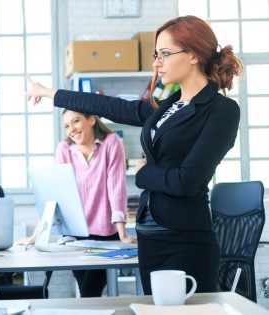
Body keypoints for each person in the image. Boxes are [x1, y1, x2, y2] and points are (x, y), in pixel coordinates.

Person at [25, 15, 243, 295]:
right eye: (156, 55)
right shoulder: (167, 106)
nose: (156, 63)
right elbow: (108, 105)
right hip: (150, 234)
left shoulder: (221, 110)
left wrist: (143, 173)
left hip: (185, 238)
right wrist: (49, 93)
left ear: (192, 55)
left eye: (165, 54)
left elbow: (187, 180)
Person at [17, 109, 137, 297]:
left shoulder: (111, 142)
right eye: (66, 126)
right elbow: (54, 195)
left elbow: (116, 187)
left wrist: (122, 233)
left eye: (75, 121)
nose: (71, 129)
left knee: (90, 291)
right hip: (74, 236)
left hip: (105, 236)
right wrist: (35, 236)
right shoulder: (64, 149)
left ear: (91, 120)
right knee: (87, 292)